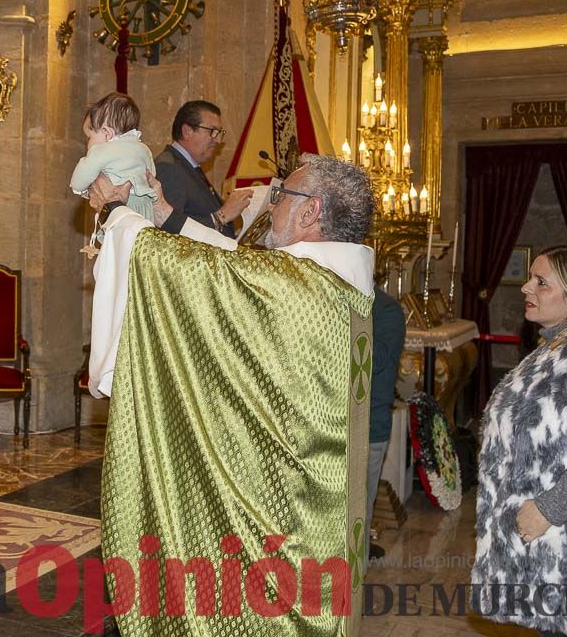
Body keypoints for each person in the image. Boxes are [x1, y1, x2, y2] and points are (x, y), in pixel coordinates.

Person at [87, 154, 376, 636]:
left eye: (283, 196)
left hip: (286, 529)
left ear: (311, 212)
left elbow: (192, 271)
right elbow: (232, 263)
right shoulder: (339, 286)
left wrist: (117, 212)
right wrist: (163, 213)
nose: (273, 205)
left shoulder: (293, 287)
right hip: (319, 516)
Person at [472, 245, 567, 637]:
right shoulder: (551, 350)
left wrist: (547, 509)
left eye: (541, 282)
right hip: (545, 554)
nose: (525, 288)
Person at [154, 100, 252, 239]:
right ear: (187, 131)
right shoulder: (169, 168)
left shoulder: (188, 166)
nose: (218, 140)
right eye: (212, 131)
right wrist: (222, 216)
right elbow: (168, 233)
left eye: (219, 133)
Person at [70, 93, 157, 237]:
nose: (88, 143)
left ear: (107, 133)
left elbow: (83, 173)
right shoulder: (143, 149)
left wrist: (79, 188)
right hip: (145, 210)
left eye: (89, 137)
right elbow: (151, 174)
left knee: (113, 248)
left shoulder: (102, 150)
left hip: (119, 209)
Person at [366, 286, 404, 555]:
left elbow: (373, 359)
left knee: (358, 512)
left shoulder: (386, 309)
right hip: (329, 426)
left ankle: (354, 587)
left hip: (368, 428)